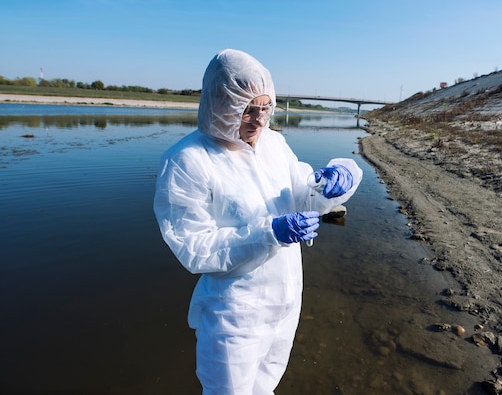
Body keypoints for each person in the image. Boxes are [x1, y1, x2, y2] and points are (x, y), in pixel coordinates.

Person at [153, 49, 362, 394]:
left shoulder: (274, 145)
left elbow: (304, 190)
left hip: (286, 304)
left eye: (265, 108)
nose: (259, 119)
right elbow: (193, 247)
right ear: (220, 102)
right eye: (247, 108)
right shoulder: (187, 161)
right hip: (235, 316)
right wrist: (270, 232)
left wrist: (337, 178)